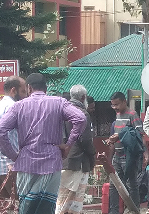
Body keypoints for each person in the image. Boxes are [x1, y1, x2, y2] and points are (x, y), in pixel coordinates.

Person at [0, 73, 87, 214]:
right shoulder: (59, 102)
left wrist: (13, 155)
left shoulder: (18, 106)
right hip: (52, 161)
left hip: (26, 162)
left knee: (26, 207)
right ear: (46, 88)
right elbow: (80, 119)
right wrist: (68, 144)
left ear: (29, 88)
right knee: (47, 207)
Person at [56, 85, 96, 214]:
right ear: (84, 97)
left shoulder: (61, 112)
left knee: (61, 199)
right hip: (77, 162)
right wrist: (92, 156)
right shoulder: (83, 113)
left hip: (62, 160)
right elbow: (86, 140)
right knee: (70, 203)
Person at [106, 91, 146, 214]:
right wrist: (111, 140)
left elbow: (139, 134)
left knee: (131, 185)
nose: (115, 107)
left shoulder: (132, 115)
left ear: (124, 102)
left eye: (117, 104)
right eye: (112, 105)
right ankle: (114, 211)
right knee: (114, 185)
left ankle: (134, 210)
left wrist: (120, 136)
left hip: (128, 157)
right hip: (117, 156)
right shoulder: (118, 115)